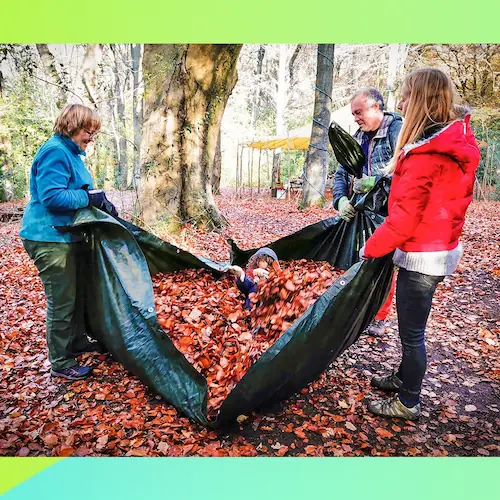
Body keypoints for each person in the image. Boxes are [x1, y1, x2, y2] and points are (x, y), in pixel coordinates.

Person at [359, 68, 480, 420]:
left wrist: (369, 250)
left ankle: (408, 401)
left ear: (422, 100)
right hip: (439, 247)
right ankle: (402, 378)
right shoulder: (449, 143)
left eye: (407, 95)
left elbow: (403, 219)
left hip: (422, 255)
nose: (400, 102)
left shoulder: (427, 154)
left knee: (412, 333)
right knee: (411, 328)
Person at [20, 103, 118, 381]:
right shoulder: (55, 152)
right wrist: (89, 199)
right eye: (89, 131)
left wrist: (99, 200)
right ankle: (61, 361)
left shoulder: (71, 153)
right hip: (48, 237)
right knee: (62, 301)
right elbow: (52, 197)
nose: (91, 138)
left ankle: (76, 342)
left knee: (75, 295)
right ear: (73, 126)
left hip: (65, 235)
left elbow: (77, 190)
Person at [333, 87, 403, 336]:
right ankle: (356, 308)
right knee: (359, 257)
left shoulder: (398, 131)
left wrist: (377, 181)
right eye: (353, 114)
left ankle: (379, 317)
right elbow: (342, 172)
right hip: (364, 211)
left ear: (376, 108)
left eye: (359, 112)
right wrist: (341, 200)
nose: (355, 118)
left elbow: (409, 174)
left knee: (384, 264)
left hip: (391, 213)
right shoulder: (360, 136)